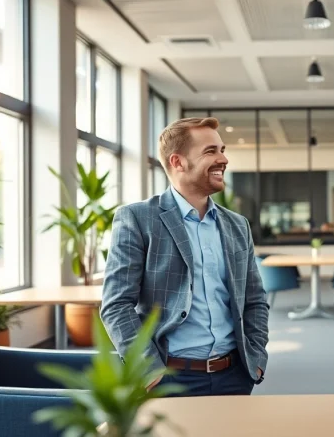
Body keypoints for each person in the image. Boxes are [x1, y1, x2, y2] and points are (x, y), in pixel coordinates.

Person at [101, 117, 269, 396]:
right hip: (169, 379)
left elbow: (254, 299)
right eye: (210, 151)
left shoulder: (237, 225)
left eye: (222, 150)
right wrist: (147, 368)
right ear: (177, 162)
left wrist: (257, 358)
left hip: (235, 376)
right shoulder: (138, 219)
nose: (223, 159)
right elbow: (116, 304)